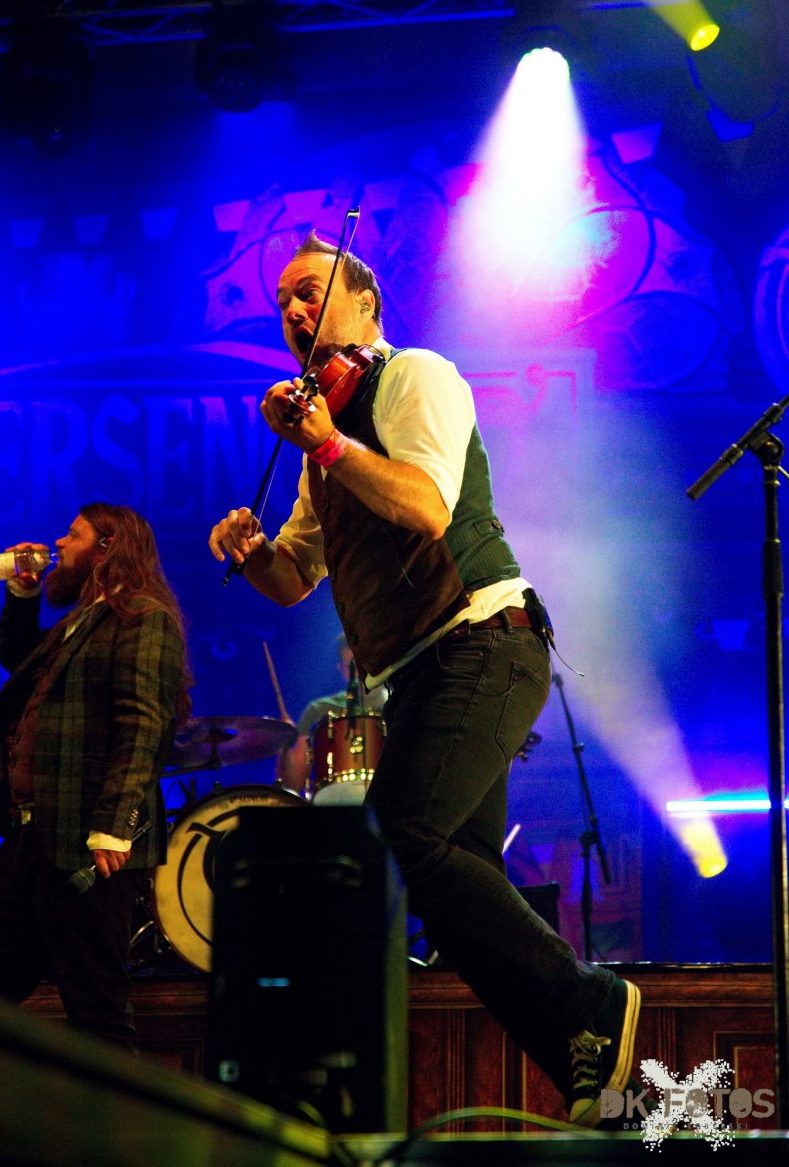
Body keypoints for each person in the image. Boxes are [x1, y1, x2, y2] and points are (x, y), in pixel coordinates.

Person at [208, 234, 640, 1127]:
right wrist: (251, 554)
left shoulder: (415, 376)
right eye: (281, 303)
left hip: (484, 641)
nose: (292, 311)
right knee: (452, 885)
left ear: (364, 300)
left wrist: (330, 444)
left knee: (402, 833)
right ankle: (589, 1063)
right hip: (422, 674)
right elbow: (294, 578)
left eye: (309, 291)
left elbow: (427, 506)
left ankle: (593, 1003)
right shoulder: (321, 442)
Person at [0, 503, 191, 1050]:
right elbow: (21, 664)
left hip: (85, 843)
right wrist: (23, 594)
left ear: (108, 547)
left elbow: (144, 723)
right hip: (33, 837)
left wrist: (114, 826)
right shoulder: (82, 620)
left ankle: (122, 1110)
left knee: (97, 1011)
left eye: (74, 535)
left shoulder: (143, 616)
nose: (60, 543)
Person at [278, 631, 387, 798]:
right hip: (334, 803)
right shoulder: (318, 710)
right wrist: (283, 744)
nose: (362, 670)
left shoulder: (401, 705)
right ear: (342, 670)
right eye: (353, 665)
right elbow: (293, 786)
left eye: (366, 661)